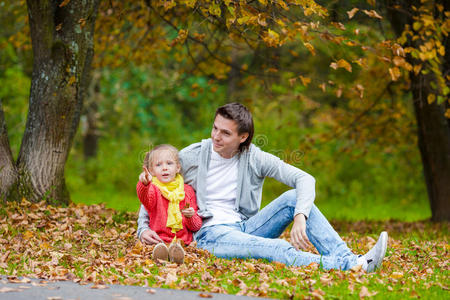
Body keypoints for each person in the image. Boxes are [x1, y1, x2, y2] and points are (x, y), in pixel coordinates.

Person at [137, 103, 388, 272]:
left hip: (246, 227)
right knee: (278, 248)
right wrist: (143, 227)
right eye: (215, 128)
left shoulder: (254, 158)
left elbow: (305, 180)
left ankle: (350, 259)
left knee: (293, 198)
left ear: (243, 137)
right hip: (210, 234)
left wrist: (300, 214)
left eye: (225, 133)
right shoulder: (193, 155)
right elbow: (158, 184)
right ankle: (353, 266)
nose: (216, 136)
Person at [137, 144, 202, 264]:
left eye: (169, 163)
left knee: (178, 249)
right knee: (159, 248)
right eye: (158, 165)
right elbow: (145, 198)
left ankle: (176, 254)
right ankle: (161, 254)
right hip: (158, 240)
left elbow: (196, 225)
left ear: (177, 167)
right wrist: (144, 184)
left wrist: (191, 216)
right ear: (152, 171)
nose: (164, 168)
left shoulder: (187, 191)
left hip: (183, 242)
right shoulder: (153, 189)